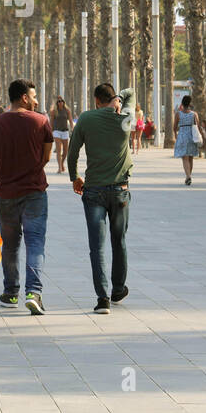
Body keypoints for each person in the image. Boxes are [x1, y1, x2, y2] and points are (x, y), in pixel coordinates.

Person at [0, 79, 53, 315]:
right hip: (35, 193)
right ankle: (34, 293)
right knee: (35, 242)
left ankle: (10, 293)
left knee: (10, 245)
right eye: (34, 96)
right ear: (24, 98)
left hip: (6, 194)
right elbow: (47, 157)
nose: (37, 101)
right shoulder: (41, 122)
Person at [69, 84, 134, 314]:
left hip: (93, 190)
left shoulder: (86, 118)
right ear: (113, 99)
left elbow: (72, 151)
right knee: (120, 241)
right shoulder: (125, 118)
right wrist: (120, 98)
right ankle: (118, 289)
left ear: (96, 100)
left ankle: (103, 298)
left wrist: (74, 176)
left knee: (96, 246)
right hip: (120, 191)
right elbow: (130, 93)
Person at [172, 95, 202, 185]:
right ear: (190, 103)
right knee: (191, 157)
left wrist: (176, 135)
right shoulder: (194, 114)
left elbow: (174, 127)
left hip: (182, 136)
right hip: (192, 136)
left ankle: (188, 176)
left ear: (182, 103)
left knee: (185, 158)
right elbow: (198, 126)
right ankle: (188, 176)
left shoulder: (178, 114)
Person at [50, 98, 74, 174]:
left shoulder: (67, 111)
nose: (60, 103)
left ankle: (62, 163)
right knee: (58, 150)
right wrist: (50, 131)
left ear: (64, 102)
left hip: (65, 131)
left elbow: (70, 121)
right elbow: (51, 122)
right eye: (58, 102)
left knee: (66, 151)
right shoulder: (54, 111)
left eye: (61, 101)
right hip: (56, 131)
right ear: (57, 103)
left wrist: (72, 129)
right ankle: (60, 167)